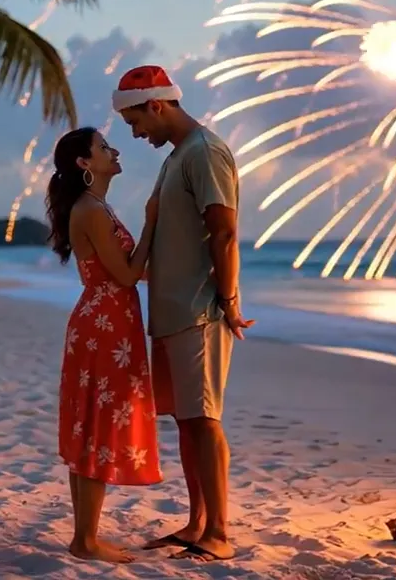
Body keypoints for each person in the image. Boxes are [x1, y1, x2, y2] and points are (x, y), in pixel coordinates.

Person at [113, 64, 254, 563]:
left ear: (157, 105)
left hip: (199, 310)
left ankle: (218, 530)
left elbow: (224, 232)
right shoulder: (176, 158)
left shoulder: (206, 152)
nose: (135, 133)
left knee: (205, 419)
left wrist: (230, 302)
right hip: (170, 310)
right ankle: (197, 523)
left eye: (136, 122)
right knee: (186, 420)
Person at [46, 126, 163, 564]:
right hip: (105, 324)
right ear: (84, 164)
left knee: (90, 427)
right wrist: (152, 222)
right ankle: (86, 540)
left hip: (102, 319)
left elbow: (130, 270)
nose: (114, 152)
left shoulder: (95, 206)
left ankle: (84, 537)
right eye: (103, 148)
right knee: (97, 429)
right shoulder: (92, 210)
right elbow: (128, 274)